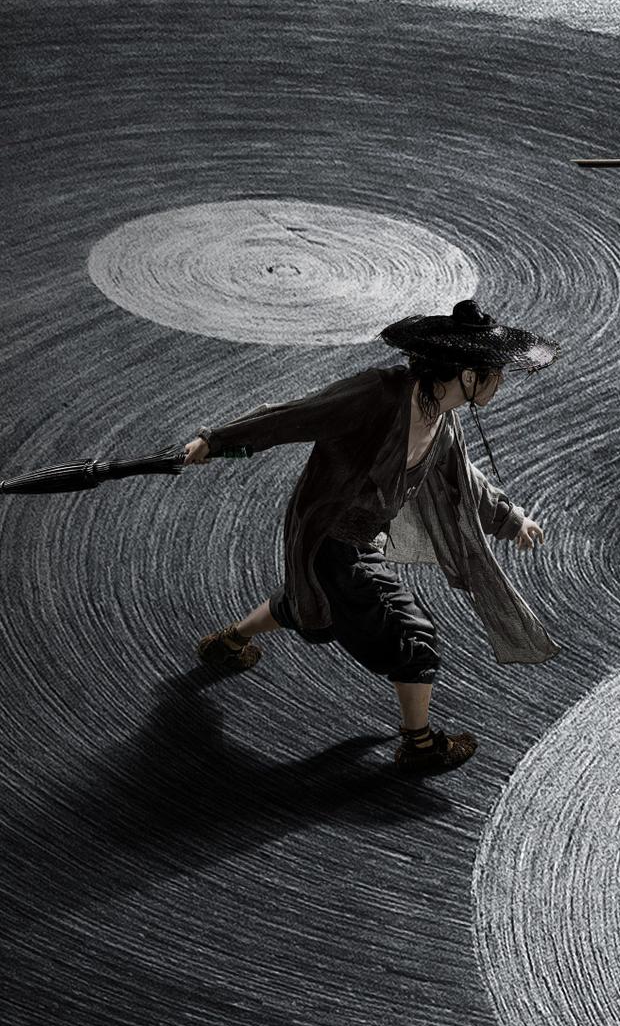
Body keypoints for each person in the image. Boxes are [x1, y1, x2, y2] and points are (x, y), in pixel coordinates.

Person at [186, 300, 558, 773]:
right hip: (332, 537)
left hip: (362, 541)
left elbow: (461, 479)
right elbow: (294, 416)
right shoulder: (378, 394)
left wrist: (512, 520)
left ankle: (228, 642)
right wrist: (216, 441)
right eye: (493, 372)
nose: (499, 381)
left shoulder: (441, 421)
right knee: (414, 638)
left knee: (312, 601)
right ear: (466, 375)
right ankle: (419, 744)